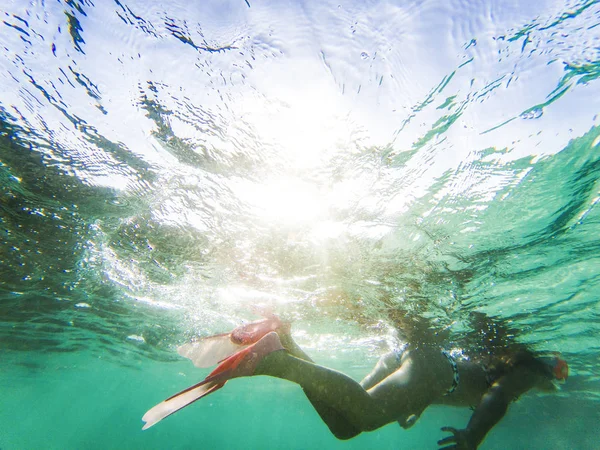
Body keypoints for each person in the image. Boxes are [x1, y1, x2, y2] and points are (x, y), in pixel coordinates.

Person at [142, 315, 568, 450]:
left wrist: (417, 404)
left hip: (424, 363)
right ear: (545, 367)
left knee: (347, 423)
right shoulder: (529, 373)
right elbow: (495, 396)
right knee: (364, 414)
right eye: (557, 372)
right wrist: (474, 437)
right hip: (436, 367)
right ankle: (274, 360)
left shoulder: (497, 362)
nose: (555, 379)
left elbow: (457, 384)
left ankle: (285, 343)